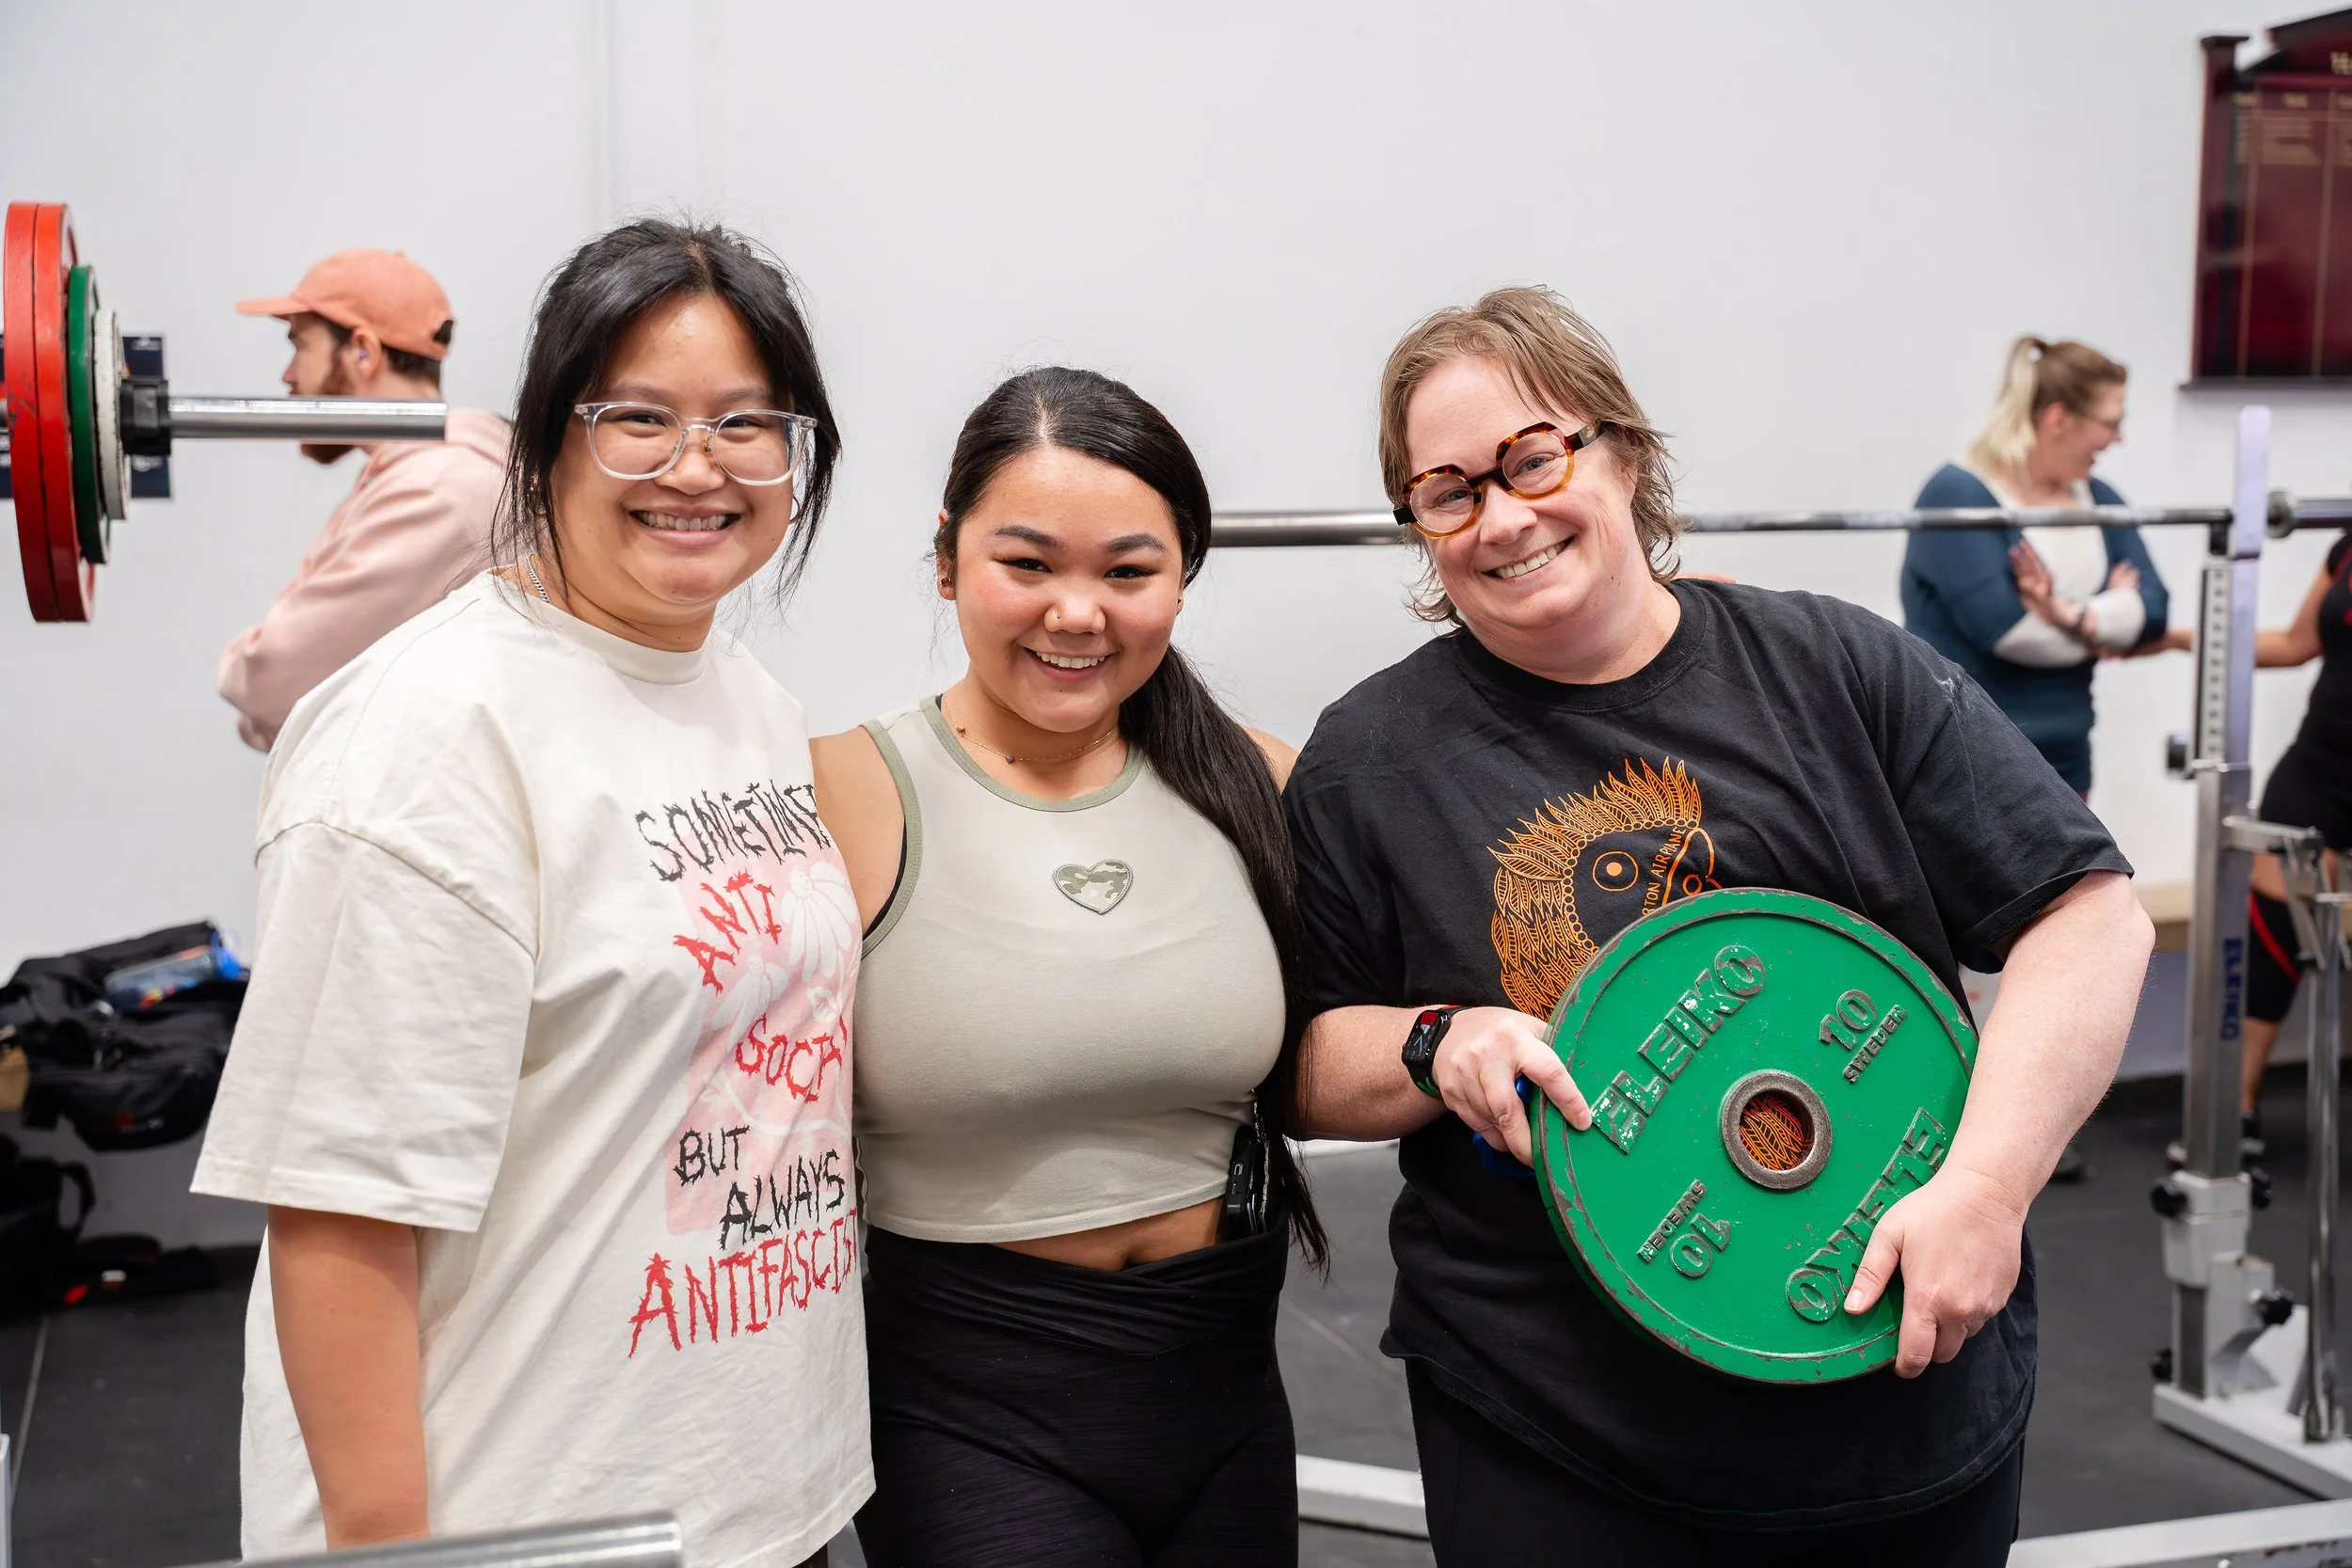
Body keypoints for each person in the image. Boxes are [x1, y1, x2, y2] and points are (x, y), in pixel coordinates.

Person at [1283, 287, 2153, 1564]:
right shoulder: (1370, 763)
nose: (1504, 516)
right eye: (1449, 490)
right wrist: (1434, 1040)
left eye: (1533, 458)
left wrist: (1986, 1185)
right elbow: (1302, 1062)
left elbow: (2089, 912)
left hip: (1894, 1389)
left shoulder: (1834, 670)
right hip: (1555, 1424)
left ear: (1623, 452)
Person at [190, 221, 865, 1567]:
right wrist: (389, 1552)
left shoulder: (746, 697)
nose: (696, 466)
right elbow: (340, 1206)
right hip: (531, 1525)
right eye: (639, 418)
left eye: (745, 422)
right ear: (550, 433)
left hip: (754, 1497)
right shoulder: (426, 734)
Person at [813, 367, 1322, 1568]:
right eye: (1027, 563)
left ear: (1181, 577)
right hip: (963, 1402)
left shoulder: (1259, 780)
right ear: (948, 560)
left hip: (1224, 1381)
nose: (1077, 612)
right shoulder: (841, 790)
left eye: (1128, 571)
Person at [218, 249, 511, 751]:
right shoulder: (426, 474)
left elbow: (271, 685)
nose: (289, 376)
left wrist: (246, 675)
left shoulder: (436, 490)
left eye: (300, 346)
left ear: (363, 352)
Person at [1900, 336, 2170, 796]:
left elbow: (2155, 612)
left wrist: (2064, 613)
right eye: (2111, 423)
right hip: (1966, 761)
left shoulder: (2099, 498)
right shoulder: (1959, 495)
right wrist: (2109, 618)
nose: (2119, 438)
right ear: (2058, 419)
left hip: (2066, 758)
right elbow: (2011, 633)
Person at [2166, 532, 2352, 1153]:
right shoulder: (2348, 545)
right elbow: (2298, 644)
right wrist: (2176, 638)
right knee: (2272, 931)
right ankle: (2234, 1116)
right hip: (2321, 768)